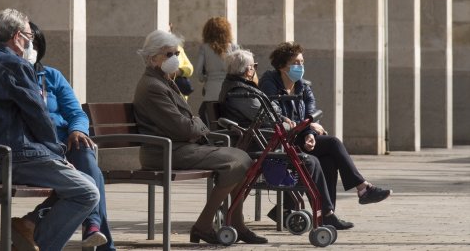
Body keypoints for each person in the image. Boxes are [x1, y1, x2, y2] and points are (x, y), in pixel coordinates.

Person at [0, 8, 101, 251]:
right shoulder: (16, 65)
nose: (31, 43)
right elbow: (38, 115)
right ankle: (39, 242)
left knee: (78, 182)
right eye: (29, 36)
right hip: (16, 158)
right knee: (87, 192)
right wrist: (57, 155)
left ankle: (28, 224)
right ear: (17, 36)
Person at [133, 29, 267, 245]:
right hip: (164, 151)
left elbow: (188, 123)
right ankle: (205, 225)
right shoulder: (152, 86)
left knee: (243, 158)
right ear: (152, 57)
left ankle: (236, 222)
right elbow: (184, 127)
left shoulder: (164, 81)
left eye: (176, 53)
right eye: (169, 54)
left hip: (178, 147)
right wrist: (198, 124)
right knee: (235, 163)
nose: (175, 58)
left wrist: (195, 124)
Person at [259, 42, 393, 225]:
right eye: (296, 63)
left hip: (298, 137)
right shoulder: (269, 82)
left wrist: (309, 135)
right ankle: (361, 189)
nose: (301, 67)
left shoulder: (304, 87)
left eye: (302, 62)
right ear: (282, 66)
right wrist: (306, 127)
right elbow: (273, 113)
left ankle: (327, 214)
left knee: (329, 159)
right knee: (332, 144)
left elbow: (311, 114)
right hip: (281, 141)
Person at [219, 49, 352, 230]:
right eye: (254, 66)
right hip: (261, 145)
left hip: (269, 140)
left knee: (327, 157)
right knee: (312, 161)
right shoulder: (240, 92)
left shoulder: (246, 89)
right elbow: (268, 115)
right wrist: (294, 125)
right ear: (247, 69)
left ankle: (326, 213)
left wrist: (294, 124)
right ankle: (326, 212)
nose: (255, 70)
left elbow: (272, 110)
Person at [27, 22, 115, 250]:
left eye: (34, 44)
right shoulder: (14, 78)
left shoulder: (52, 76)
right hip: (41, 149)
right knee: (92, 177)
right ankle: (95, 230)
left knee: (84, 149)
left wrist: (77, 130)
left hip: (68, 143)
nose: (29, 48)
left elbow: (76, 113)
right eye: (25, 43)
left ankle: (91, 227)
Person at [195, 17, 240, 122]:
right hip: (229, 92)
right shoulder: (234, 47)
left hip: (210, 93)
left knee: (210, 124)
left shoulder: (204, 47)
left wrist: (207, 79)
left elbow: (198, 72)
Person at [169, 22, 195, 98]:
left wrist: (180, 71)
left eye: (169, 31)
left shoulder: (179, 48)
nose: (169, 34)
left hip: (181, 95)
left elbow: (190, 68)